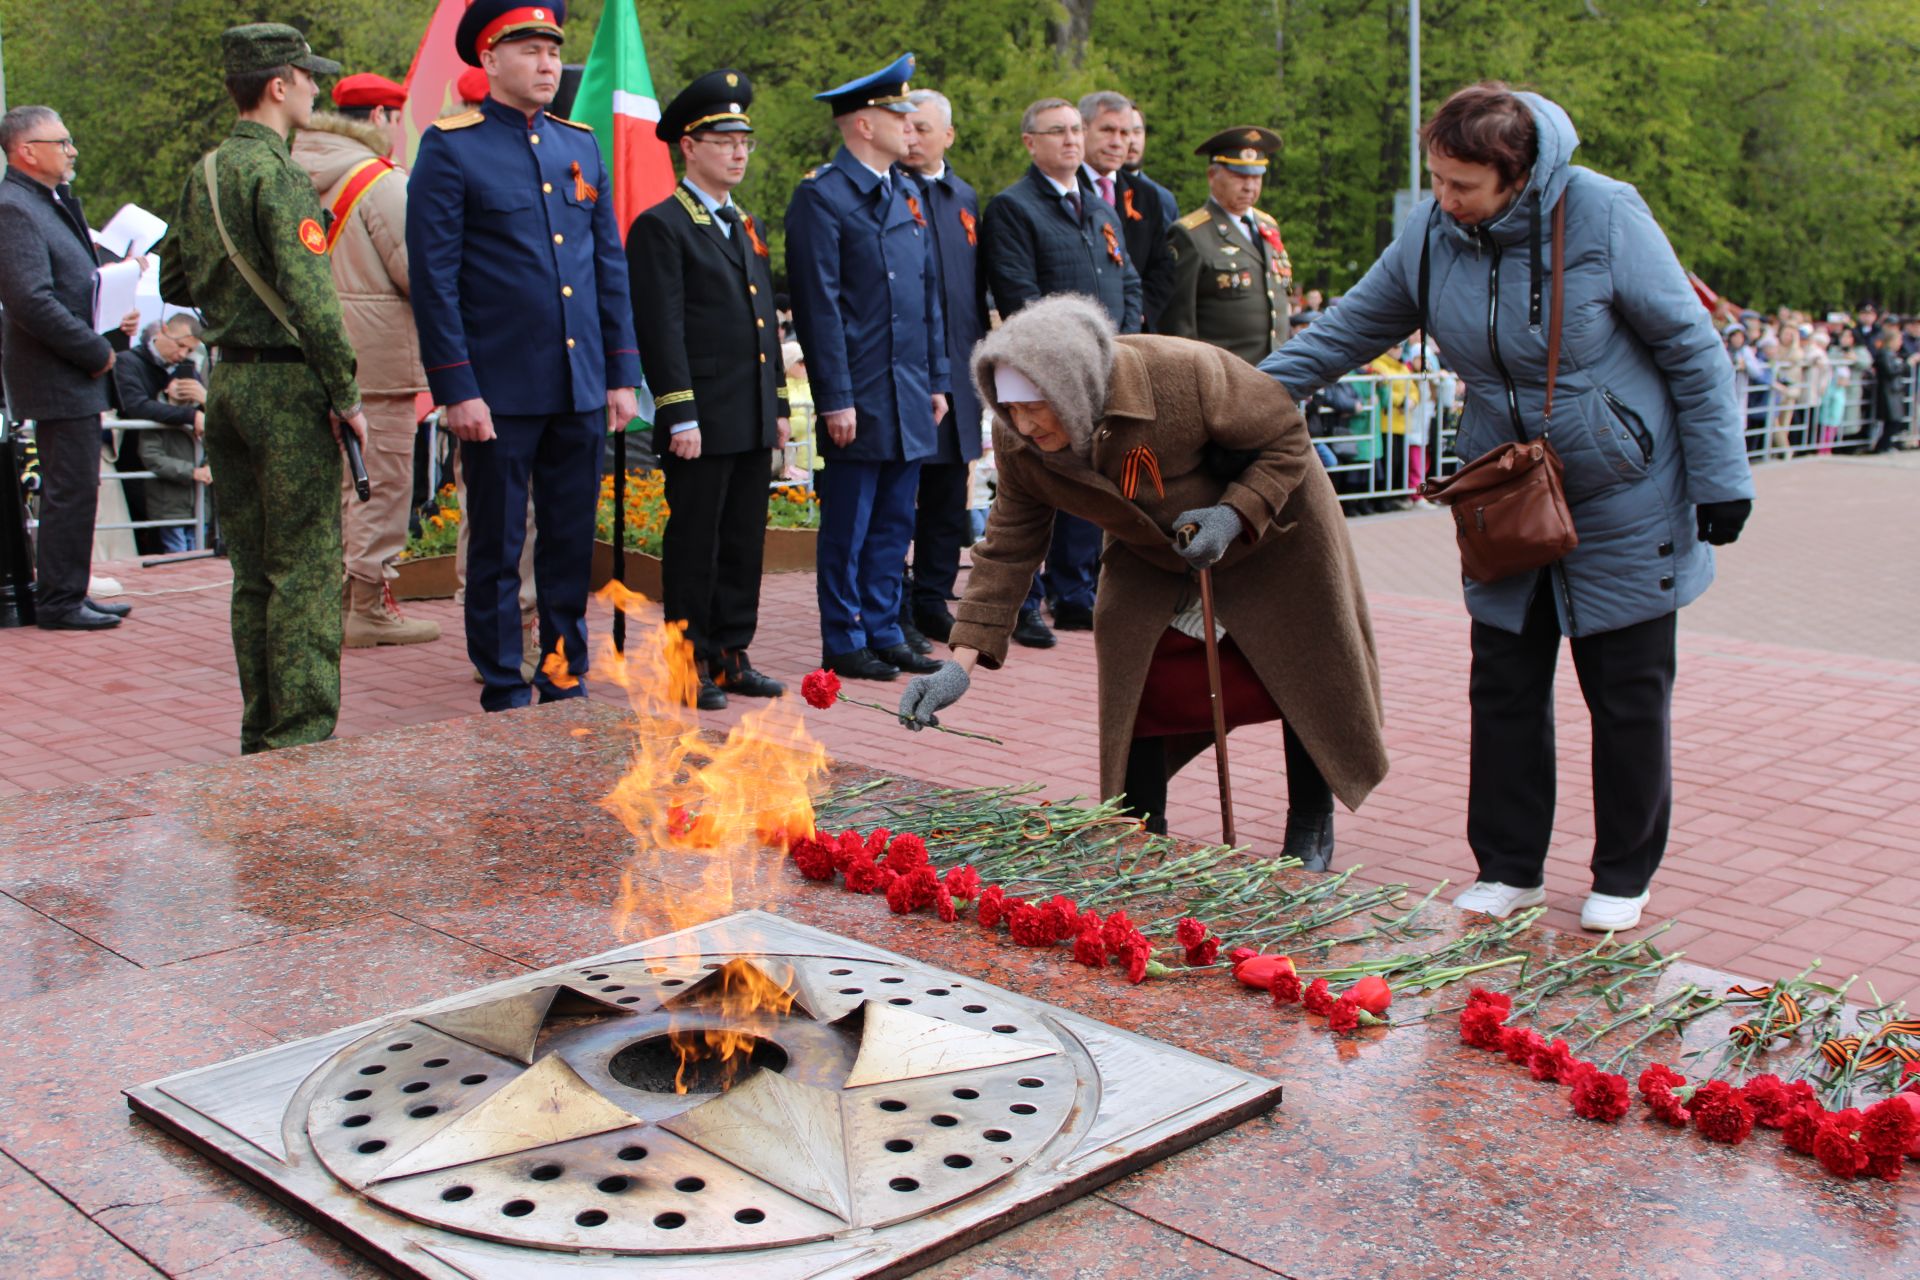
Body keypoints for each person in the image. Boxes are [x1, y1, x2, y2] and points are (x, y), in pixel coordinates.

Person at [1262, 82, 1755, 932]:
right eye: (1438, 182)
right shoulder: (1434, 231)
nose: (1444, 202)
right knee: (1504, 687)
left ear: (1519, 176)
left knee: (1628, 694)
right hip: (1504, 490)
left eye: (1463, 187)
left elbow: (1691, 347)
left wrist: (1721, 478)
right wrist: (1232, 397)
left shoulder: (1606, 214)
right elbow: (1346, 330)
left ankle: (1623, 874)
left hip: (1624, 492)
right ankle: (1509, 867)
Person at [897, 295, 1387, 870]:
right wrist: (960, 662)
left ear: (1073, 386)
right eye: (1009, 409)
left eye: (1036, 406)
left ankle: (1309, 823)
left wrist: (1234, 514)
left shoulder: (1183, 372)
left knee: (1303, 672)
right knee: (1140, 671)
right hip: (1155, 549)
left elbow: (1285, 435)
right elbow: (1008, 549)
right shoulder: (1019, 441)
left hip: (1272, 531)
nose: (1023, 424)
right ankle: (1139, 831)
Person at [408, 0, 641, 712]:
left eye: (553, 50)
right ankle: (504, 683)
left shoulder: (579, 144)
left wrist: (621, 371)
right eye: (529, 50)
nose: (546, 64)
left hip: (577, 385)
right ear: (489, 60)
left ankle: (563, 671)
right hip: (499, 390)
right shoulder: (452, 147)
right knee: (498, 549)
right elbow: (434, 279)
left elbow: (607, 266)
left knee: (570, 542)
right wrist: (456, 388)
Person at [158, 25, 368, 750]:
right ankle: (300, 742)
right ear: (279, 84)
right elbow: (314, 300)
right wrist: (346, 394)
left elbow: (173, 279)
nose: (320, 89)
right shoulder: (278, 175)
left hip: (231, 386)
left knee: (252, 574)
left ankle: (262, 730)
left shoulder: (207, 172)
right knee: (305, 573)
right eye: (311, 77)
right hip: (286, 389)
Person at [626, 69, 789, 711]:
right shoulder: (663, 225)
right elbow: (662, 330)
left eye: (744, 140)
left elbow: (764, 326)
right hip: (701, 415)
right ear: (688, 147)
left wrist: (776, 405)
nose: (739, 152)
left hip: (746, 413)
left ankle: (731, 653)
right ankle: (687, 664)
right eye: (724, 140)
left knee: (744, 536)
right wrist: (679, 413)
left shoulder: (742, 223)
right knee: (696, 541)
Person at [784, 53, 948, 683]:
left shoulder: (905, 191)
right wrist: (835, 397)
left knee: (894, 522)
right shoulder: (822, 197)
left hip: (907, 386)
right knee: (849, 524)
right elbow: (819, 307)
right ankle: (845, 637)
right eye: (895, 113)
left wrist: (936, 378)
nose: (909, 124)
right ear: (861, 125)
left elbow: (926, 296)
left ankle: (884, 628)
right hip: (858, 389)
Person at [981, 96, 1142, 646]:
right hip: (1041, 376)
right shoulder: (1014, 207)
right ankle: (1024, 604)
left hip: (1102, 368)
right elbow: (1019, 295)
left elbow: (1128, 282)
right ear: (1030, 142)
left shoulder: (1098, 206)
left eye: (1077, 129)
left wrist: (1123, 342)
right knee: (1036, 488)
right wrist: (1065, 360)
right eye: (1058, 131)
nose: (1072, 140)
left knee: (1089, 483)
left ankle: (1074, 595)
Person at [292, 71, 440, 648]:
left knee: (323, 485)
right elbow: (417, 272)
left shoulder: (287, 168)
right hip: (373, 359)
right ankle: (367, 606)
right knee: (379, 481)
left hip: (300, 354)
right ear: (380, 118)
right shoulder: (378, 182)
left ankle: (322, 604)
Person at [0, 105, 133, 630]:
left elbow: (66, 285)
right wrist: (95, 350)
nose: (72, 149)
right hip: (59, 371)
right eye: (63, 141)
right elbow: (30, 300)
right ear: (26, 152)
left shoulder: (40, 202)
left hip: (71, 368)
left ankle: (67, 591)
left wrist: (110, 313)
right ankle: (59, 601)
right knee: (70, 487)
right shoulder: (14, 208)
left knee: (77, 485)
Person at [902, 87, 987, 647]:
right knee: (895, 501)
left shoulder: (966, 198)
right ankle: (891, 601)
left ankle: (932, 598)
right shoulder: (889, 191)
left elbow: (975, 289)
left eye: (923, 129)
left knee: (945, 497)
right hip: (906, 369)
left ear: (948, 137)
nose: (910, 137)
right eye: (904, 127)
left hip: (959, 368)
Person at [1160, 126, 1291, 366]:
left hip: (1274, 374)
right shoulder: (1191, 234)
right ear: (1212, 176)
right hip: (1224, 381)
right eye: (1240, 176)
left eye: (1256, 177)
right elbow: (1180, 324)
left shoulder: (1267, 227)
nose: (1250, 186)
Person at [1080, 91, 1175, 331]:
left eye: (1125, 133)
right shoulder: (1066, 190)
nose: (1118, 142)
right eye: (1107, 130)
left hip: (1135, 332)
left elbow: (1162, 266)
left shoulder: (1146, 194)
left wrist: (1139, 312)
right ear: (1083, 130)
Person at [115, 315, 210, 553]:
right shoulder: (129, 362)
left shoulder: (186, 370)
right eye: (180, 346)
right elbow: (136, 405)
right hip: (136, 465)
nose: (182, 354)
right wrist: (190, 416)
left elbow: (201, 416)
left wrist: (204, 400)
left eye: (189, 350)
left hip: (178, 475)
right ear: (164, 330)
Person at [1121, 105, 1180, 225]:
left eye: (1137, 132)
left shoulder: (1163, 200)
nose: (1132, 140)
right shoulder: (1089, 193)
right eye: (1124, 132)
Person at [1869, 325, 1908, 452]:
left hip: (1893, 392)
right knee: (1892, 421)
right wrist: (1906, 364)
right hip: (1887, 392)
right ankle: (1882, 446)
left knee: (1895, 421)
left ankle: (1885, 445)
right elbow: (1890, 371)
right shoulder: (1884, 354)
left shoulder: (1892, 354)